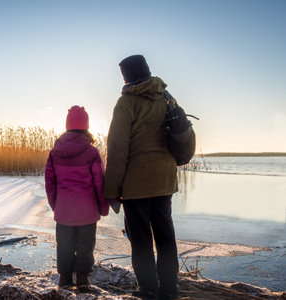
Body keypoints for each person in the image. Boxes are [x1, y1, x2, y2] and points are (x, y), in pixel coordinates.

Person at [104, 55, 179, 300]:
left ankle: (148, 290)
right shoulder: (166, 96)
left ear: (126, 77)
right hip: (164, 180)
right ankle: (169, 291)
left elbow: (117, 150)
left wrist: (111, 189)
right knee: (166, 236)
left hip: (136, 185)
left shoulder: (126, 103)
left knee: (142, 241)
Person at [45, 105, 109, 291]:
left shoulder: (55, 152)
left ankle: (65, 279)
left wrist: (56, 205)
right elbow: (100, 183)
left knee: (64, 245)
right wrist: (102, 207)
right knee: (85, 246)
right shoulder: (92, 152)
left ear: (67, 126)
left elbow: (50, 183)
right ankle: (82, 280)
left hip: (64, 210)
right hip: (87, 212)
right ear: (86, 126)